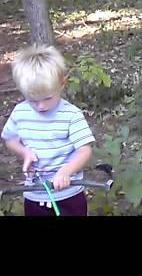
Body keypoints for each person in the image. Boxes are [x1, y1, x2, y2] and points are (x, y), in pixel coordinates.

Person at [1, 44, 95, 216]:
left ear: (62, 84)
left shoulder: (71, 115)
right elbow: (10, 140)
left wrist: (66, 172)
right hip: (35, 194)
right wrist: (24, 152)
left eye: (47, 98)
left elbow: (85, 151)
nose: (41, 106)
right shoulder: (20, 112)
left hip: (68, 194)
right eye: (33, 100)